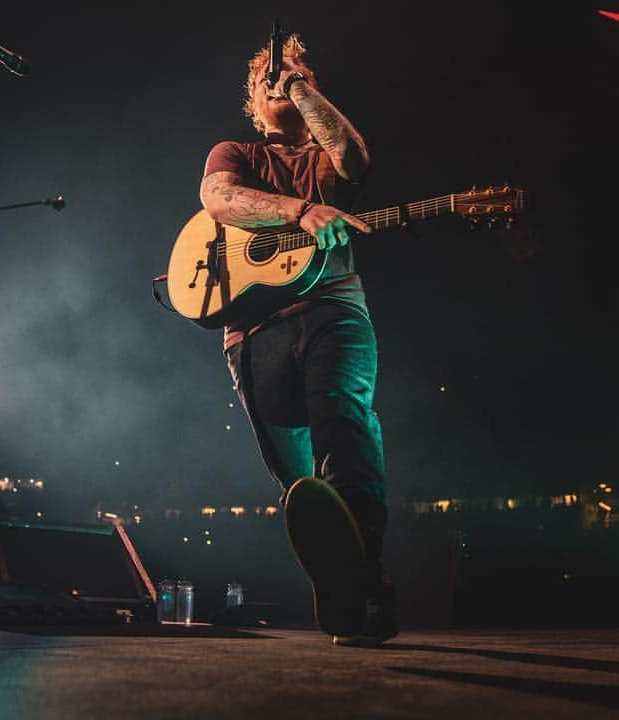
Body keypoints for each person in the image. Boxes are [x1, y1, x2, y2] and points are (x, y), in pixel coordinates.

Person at [199, 34, 396, 645]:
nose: (277, 86)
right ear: (252, 106)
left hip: (334, 309)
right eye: (266, 82)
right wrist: (295, 211)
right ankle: (344, 574)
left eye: (290, 78)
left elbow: (354, 158)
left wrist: (300, 85)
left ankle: (362, 586)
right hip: (254, 327)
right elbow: (218, 198)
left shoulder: (323, 154)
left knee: (344, 424)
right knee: (298, 479)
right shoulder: (235, 150)